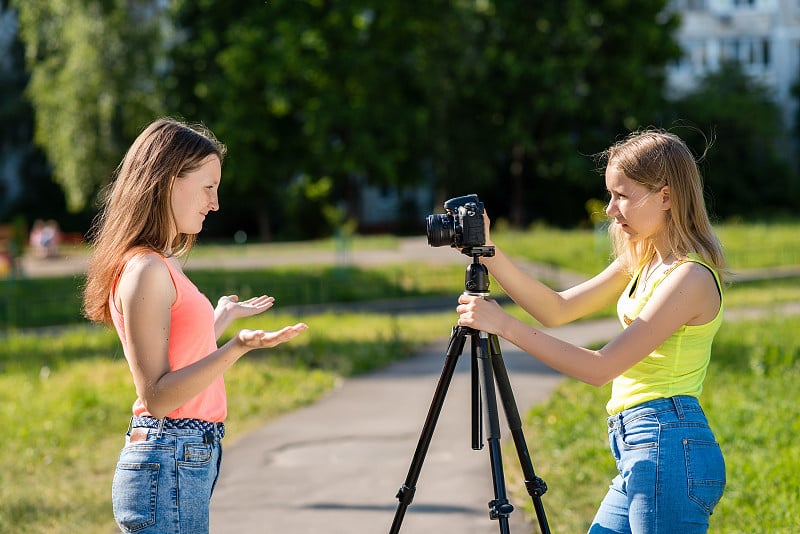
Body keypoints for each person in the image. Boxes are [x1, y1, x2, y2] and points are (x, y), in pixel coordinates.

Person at [456, 129, 726, 533]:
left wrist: (503, 325)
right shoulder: (644, 261)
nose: (610, 210)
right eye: (610, 195)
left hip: (668, 445)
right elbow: (557, 309)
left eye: (622, 196)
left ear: (666, 196)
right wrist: (488, 250)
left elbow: (601, 368)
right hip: (643, 447)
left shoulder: (689, 278)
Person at [82, 117, 308, 533]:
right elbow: (158, 397)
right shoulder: (147, 269)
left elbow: (178, 353)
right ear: (169, 181)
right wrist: (237, 346)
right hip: (170, 455)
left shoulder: (160, 263)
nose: (216, 202)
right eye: (208, 187)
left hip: (181, 457)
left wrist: (217, 320)